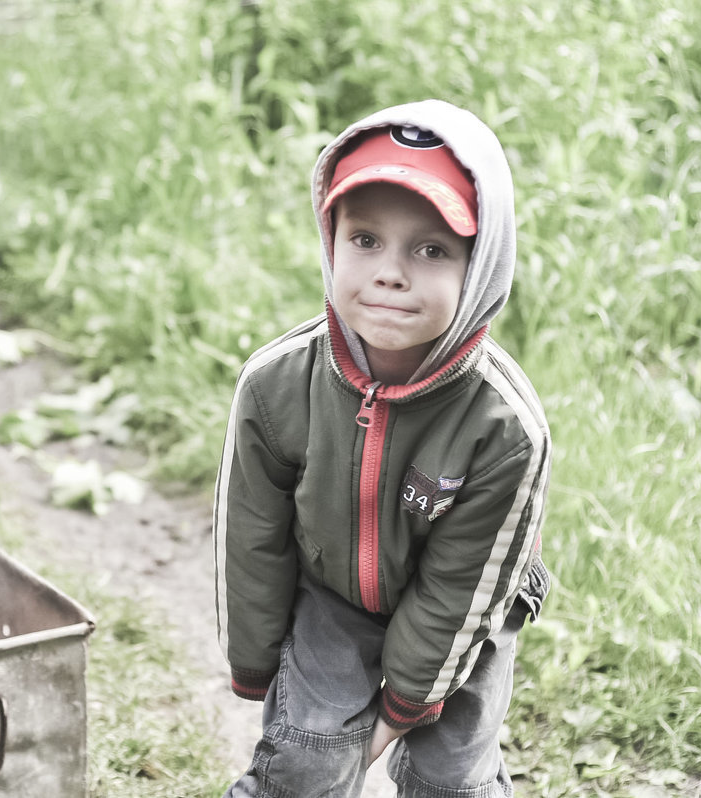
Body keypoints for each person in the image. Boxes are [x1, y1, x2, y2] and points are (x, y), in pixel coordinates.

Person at [213, 98, 551, 797]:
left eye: (430, 249)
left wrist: (407, 702)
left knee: (451, 774)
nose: (390, 273)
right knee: (306, 758)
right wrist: (252, 660)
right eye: (365, 239)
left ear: (481, 263)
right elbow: (251, 537)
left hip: (465, 611)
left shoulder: (505, 428)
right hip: (330, 590)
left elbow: (461, 587)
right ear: (330, 239)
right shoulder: (277, 387)